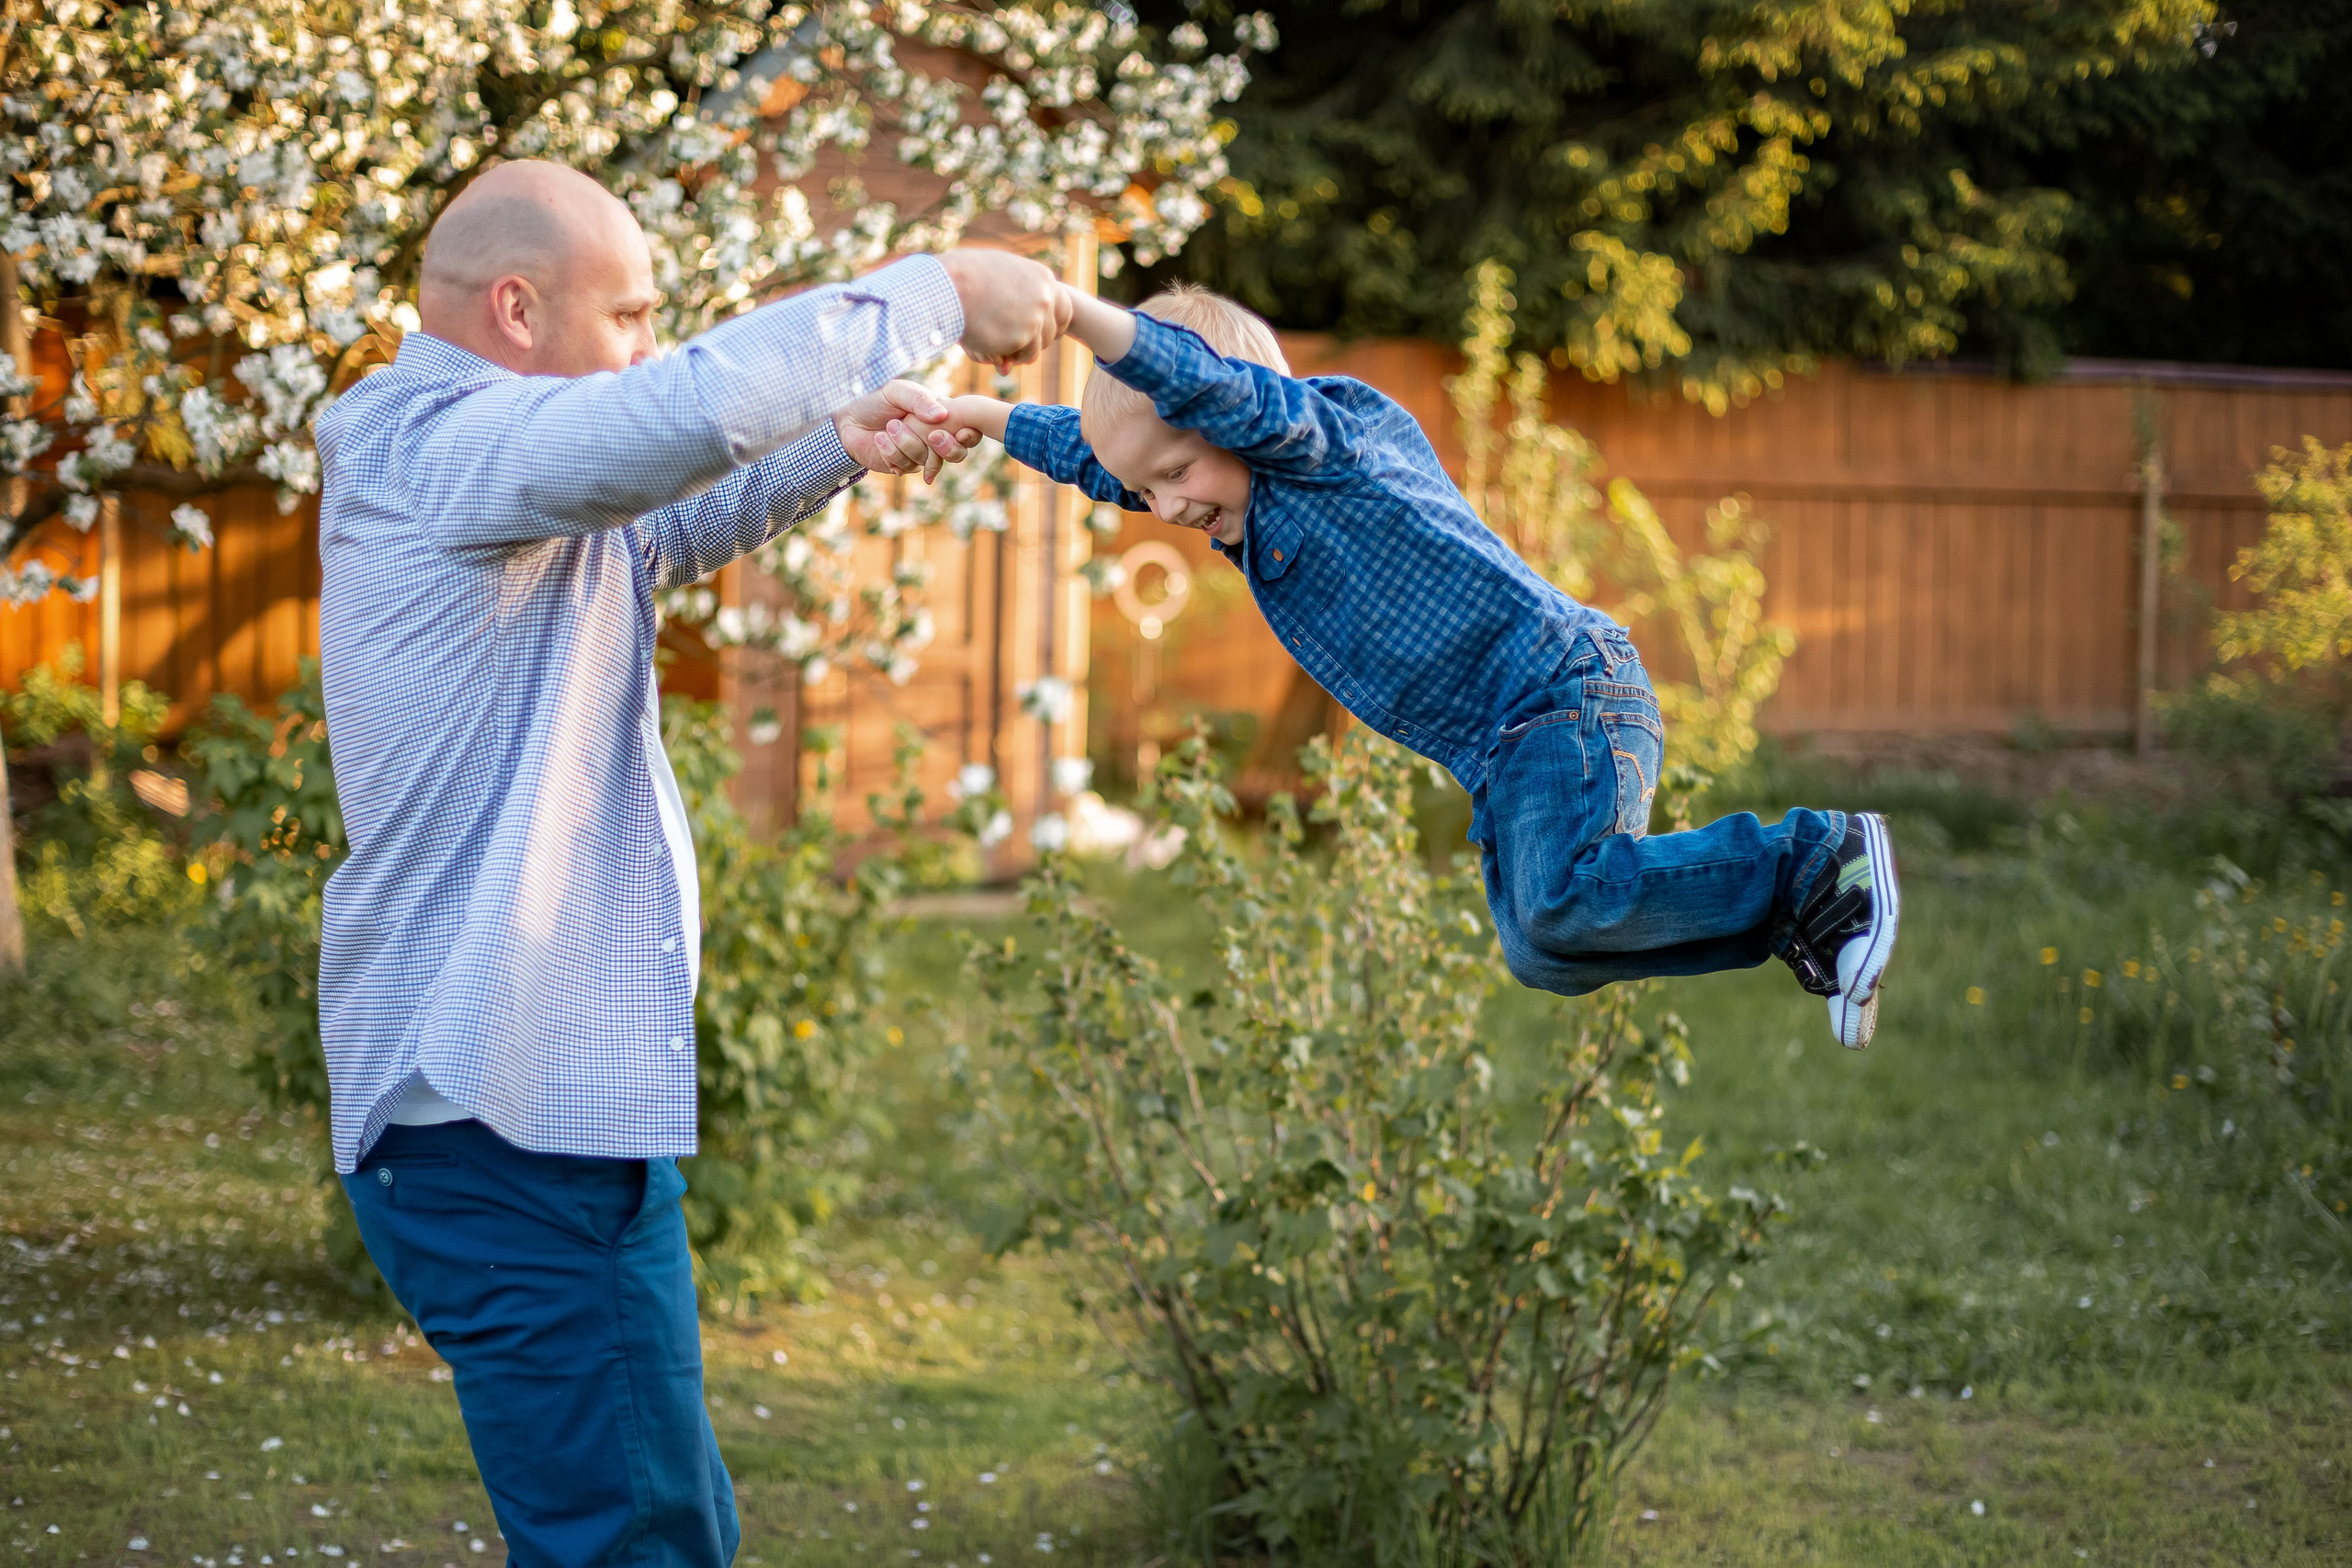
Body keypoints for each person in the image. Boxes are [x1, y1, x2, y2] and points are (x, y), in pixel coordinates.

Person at [311, 158, 1066, 1566]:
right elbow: (682, 415)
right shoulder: (442, 445)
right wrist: (947, 291)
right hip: (499, 1120)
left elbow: (661, 520)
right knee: (637, 1542)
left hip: (525, 1113)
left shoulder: (499, 473)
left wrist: (840, 442)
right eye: (635, 316)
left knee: (665, 1522)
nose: (651, 347)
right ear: (519, 309)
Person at [922, 283, 1899, 1046]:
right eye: (1150, 490)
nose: (1167, 509)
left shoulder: (1325, 440)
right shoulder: (1235, 497)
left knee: (1566, 900)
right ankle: (1806, 912)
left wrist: (1076, 313)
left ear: (1233, 420)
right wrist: (975, 412)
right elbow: (1103, 454)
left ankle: (1818, 857)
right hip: (1511, 742)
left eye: (1176, 476)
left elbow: (1205, 390)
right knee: (1544, 948)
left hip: (1561, 691)